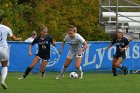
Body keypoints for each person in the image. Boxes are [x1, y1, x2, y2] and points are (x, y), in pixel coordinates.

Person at [0, 16, 21, 89]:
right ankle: (3, 80)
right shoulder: (6, 28)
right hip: (3, 49)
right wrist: (18, 39)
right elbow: (14, 38)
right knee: (4, 65)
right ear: (2, 20)